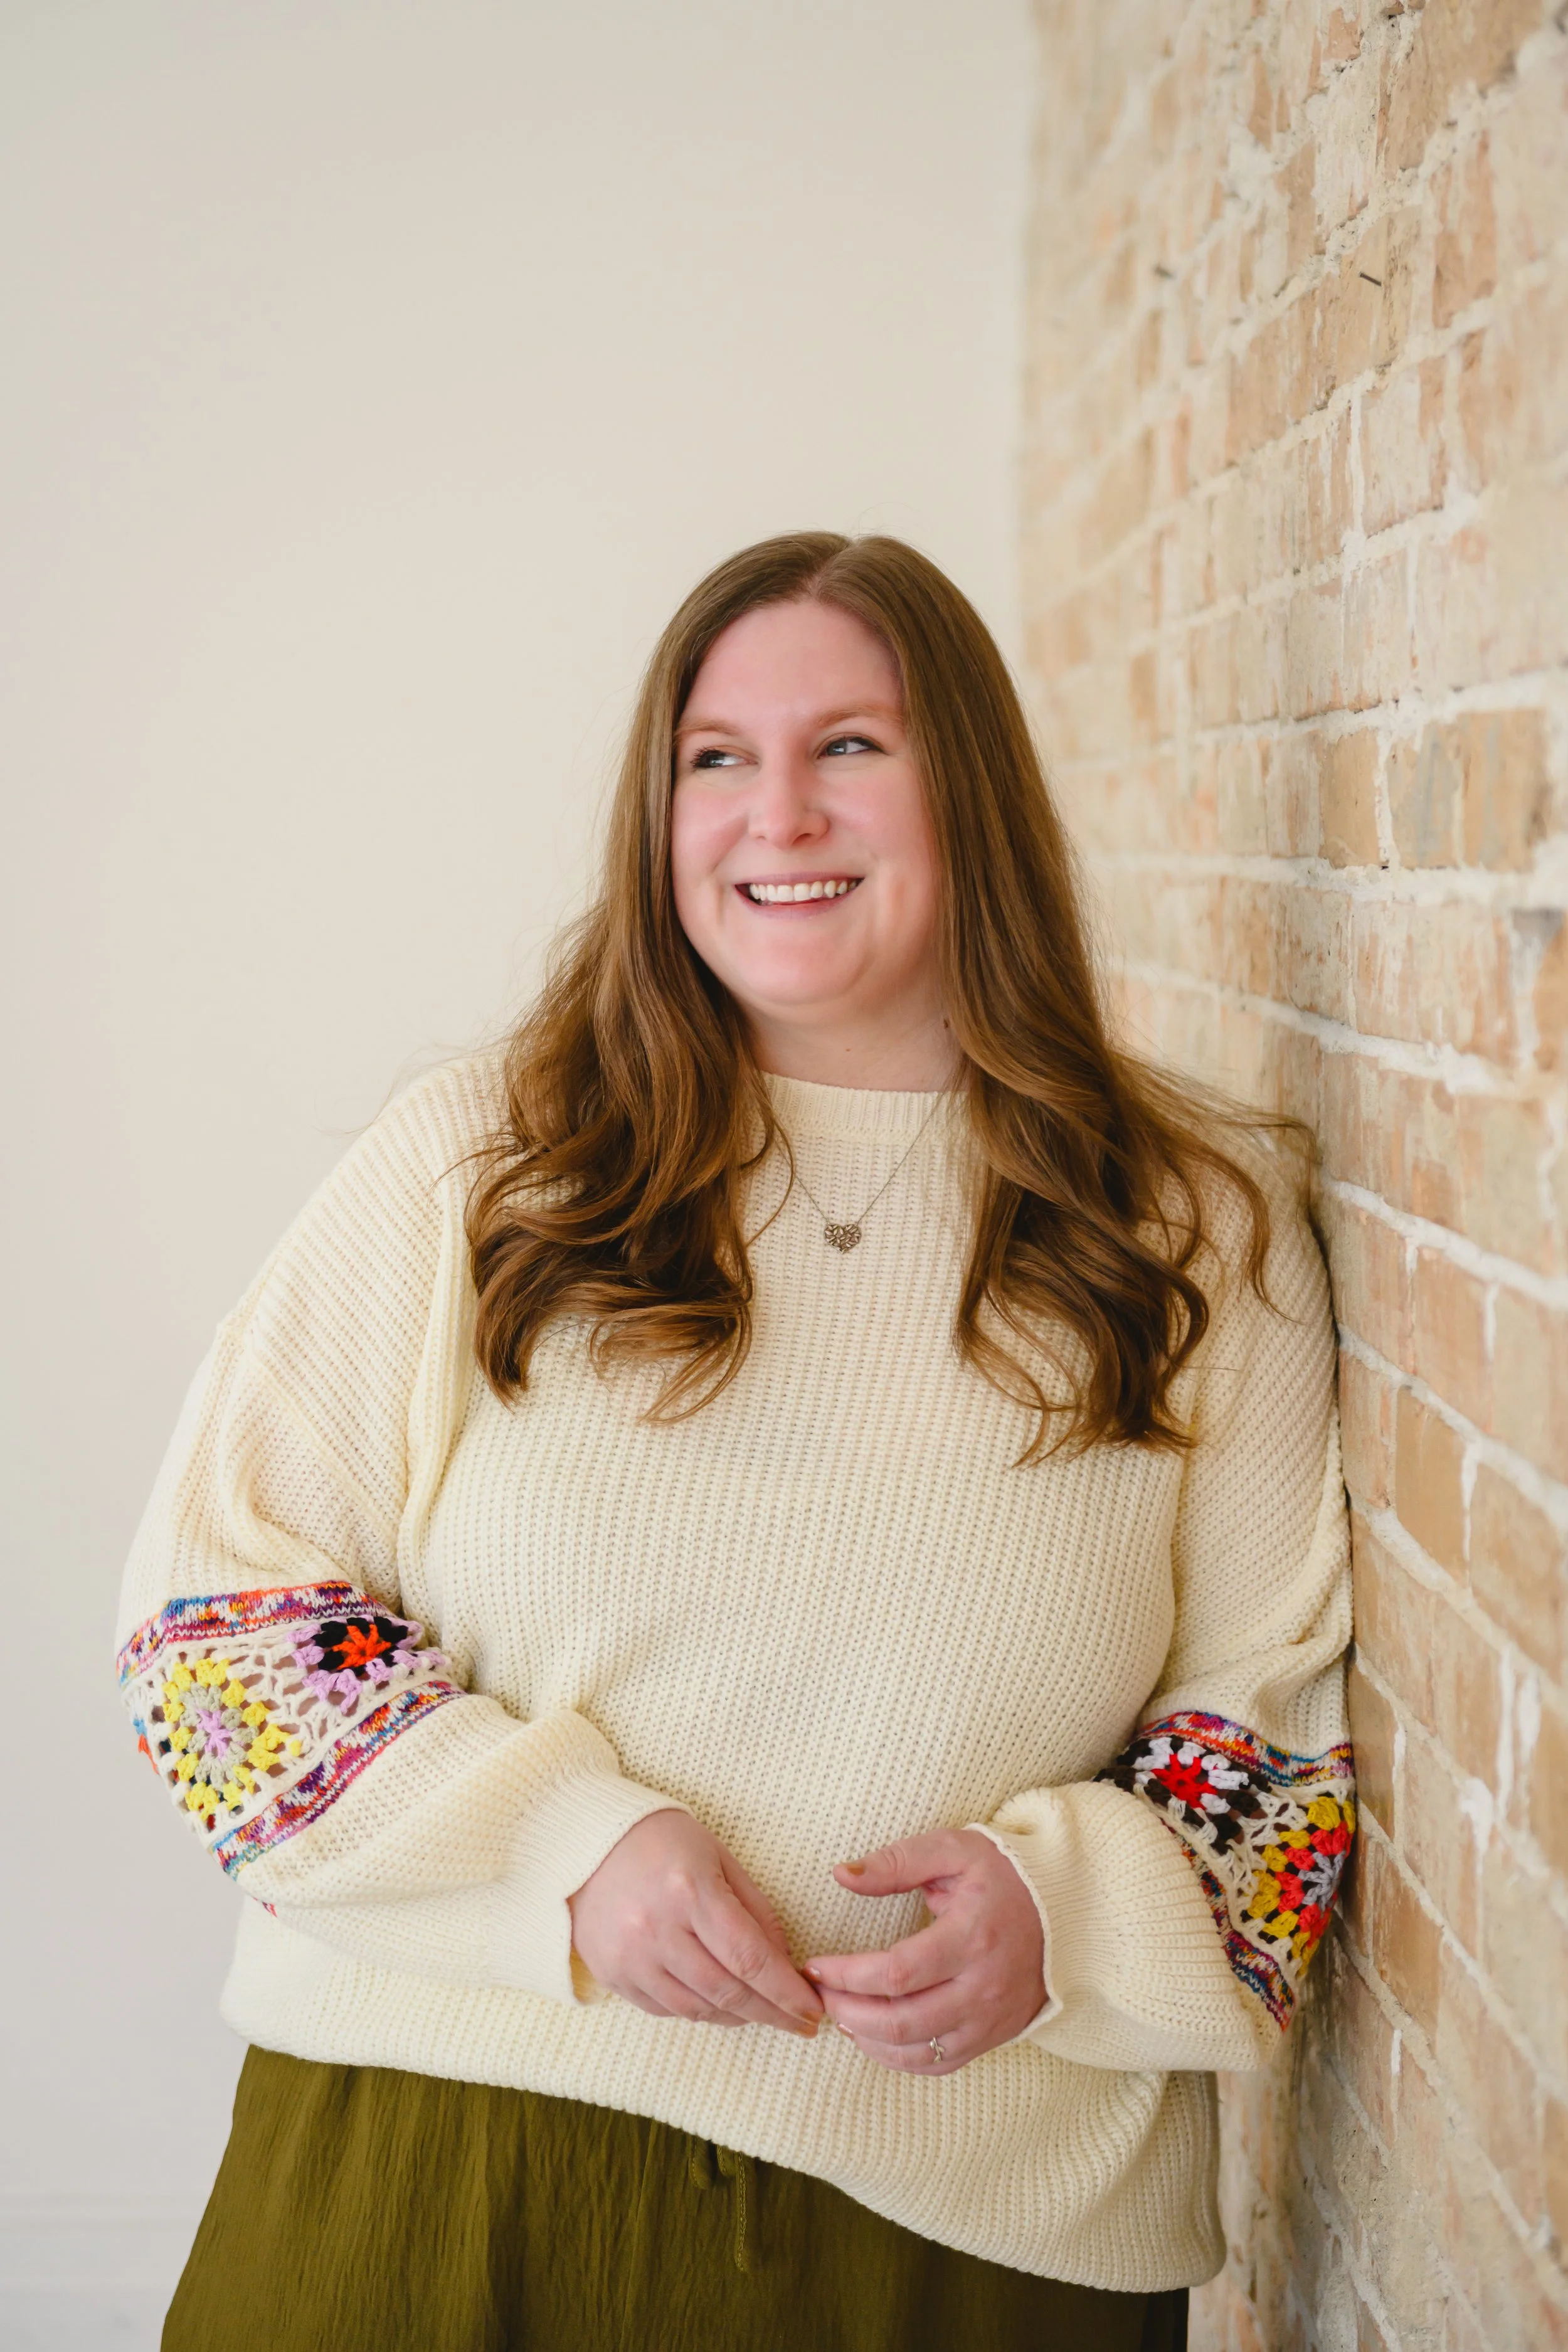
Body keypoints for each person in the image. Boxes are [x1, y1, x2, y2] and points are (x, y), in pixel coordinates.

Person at [118, 532, 1353, 2351]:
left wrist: (1063, 1912)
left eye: (852, 744)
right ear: (659, 812)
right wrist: (568, 1850)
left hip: (973, 2242)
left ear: (971, 793)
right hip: (437, 2174)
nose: (778, 809)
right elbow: (210, 1648)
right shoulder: (483, 1167)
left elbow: (1279, 1732)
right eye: (716, 757)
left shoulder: (1195, 1218)